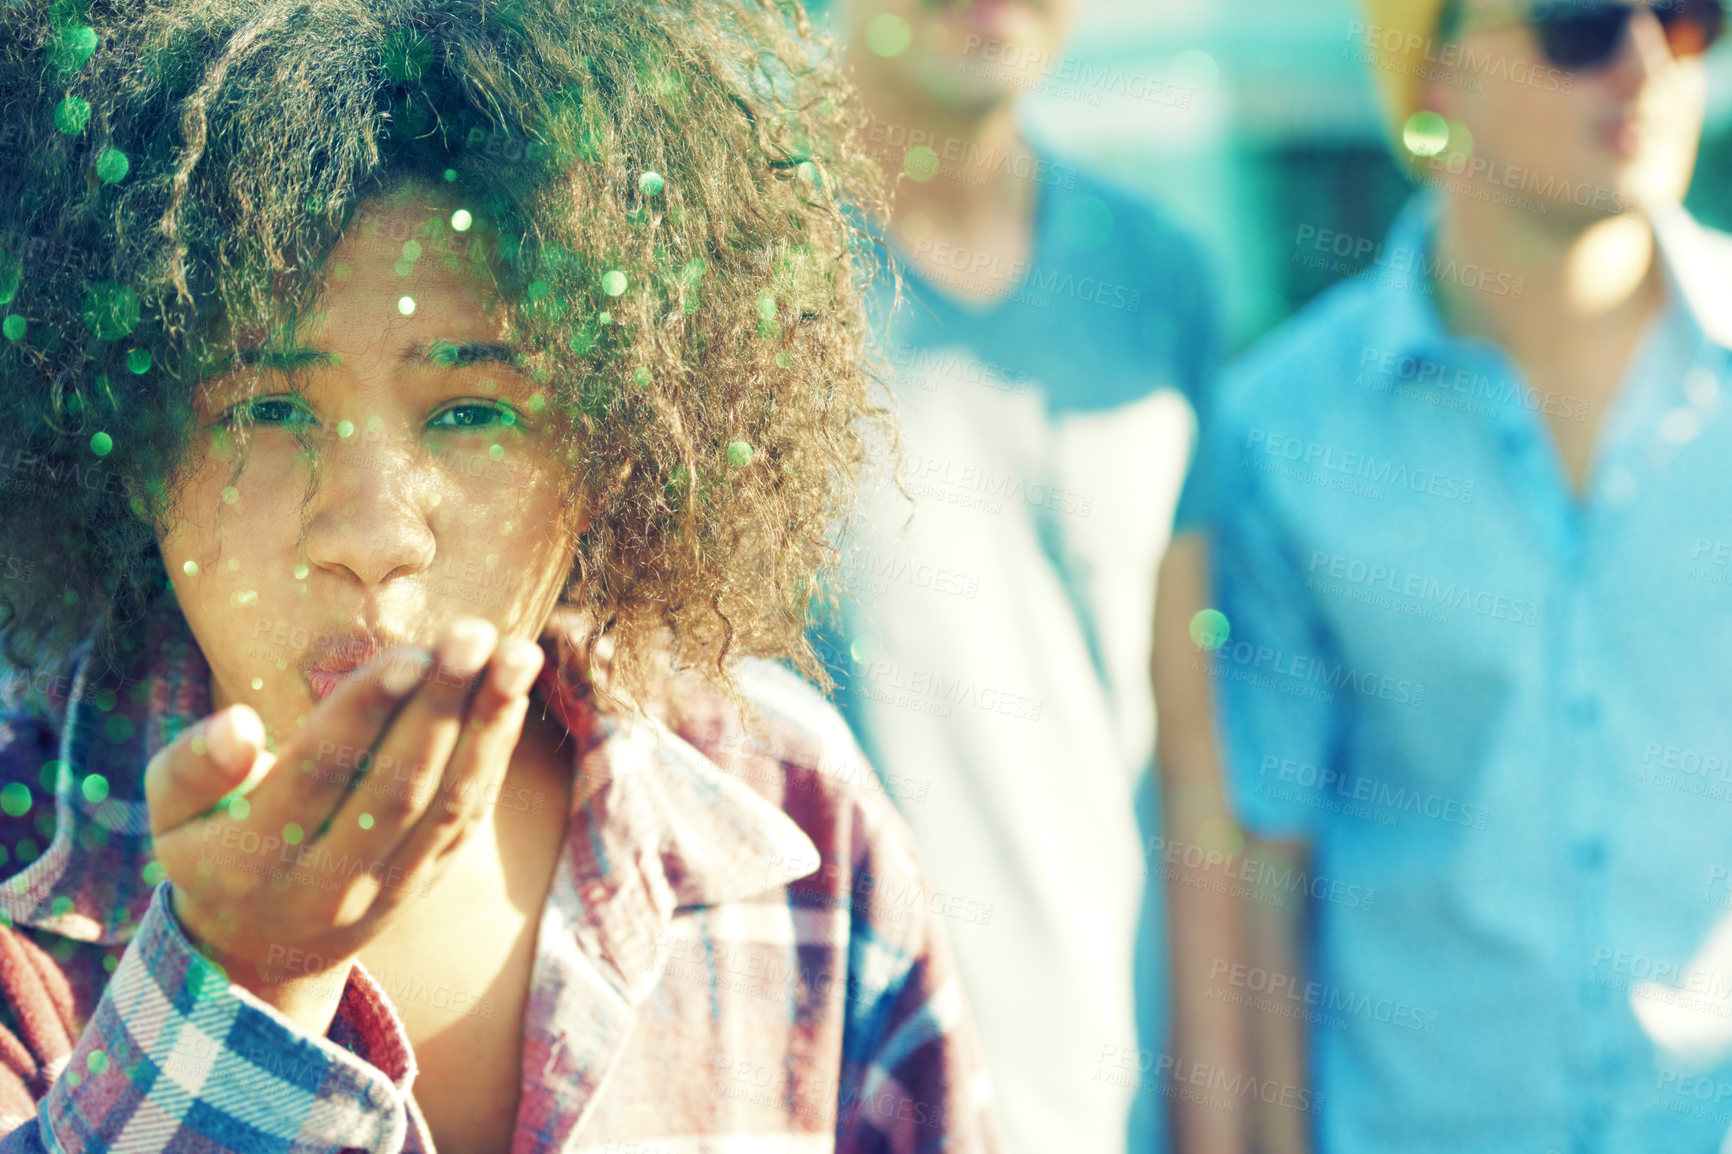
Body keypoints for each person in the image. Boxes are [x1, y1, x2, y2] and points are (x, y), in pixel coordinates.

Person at [0, 2, 1003, 1151]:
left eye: (473, 410)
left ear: (612, 443)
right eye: (267, 409)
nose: (373, 532)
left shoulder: (798, 815)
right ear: (128, 444)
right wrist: (238, 988)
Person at [1157, 0, 1732, 1150]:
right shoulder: (1281, 435)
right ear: (1434, 80)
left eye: (1684, 16)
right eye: (1577, 23)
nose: (1641, 62)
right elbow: (1255, 885)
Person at [814, 1, 1219, 1152]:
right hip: (803, 1093)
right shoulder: (717, 259)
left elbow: (1197, 770)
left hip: (1106, 1099)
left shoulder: (1159, 278)